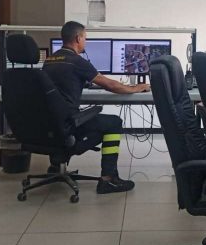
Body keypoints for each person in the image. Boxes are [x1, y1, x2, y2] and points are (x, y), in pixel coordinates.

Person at [43, 21, 150, 194]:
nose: (85, 41)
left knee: (74, 117)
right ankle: (108, 179)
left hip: (49, 125)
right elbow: (110, 85)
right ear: (78, 38)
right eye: (85, 38)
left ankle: (56, 164)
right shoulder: (77, 61)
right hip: (69, 123)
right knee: (113, 123)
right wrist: (136, 88)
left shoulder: (49, 60)